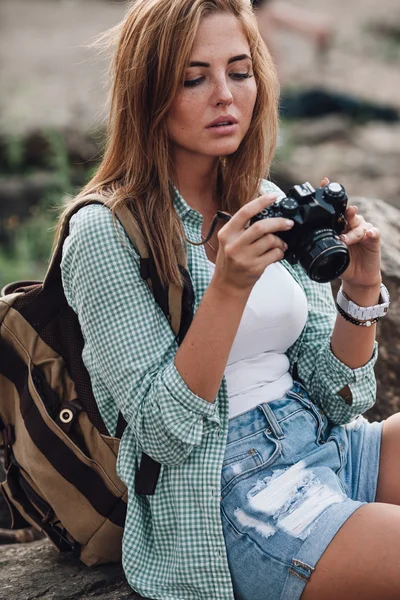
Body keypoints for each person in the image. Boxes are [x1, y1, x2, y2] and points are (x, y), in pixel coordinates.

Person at [58, 1, 400, 599]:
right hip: (232, 495)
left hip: (324, 442)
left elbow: (341, 395)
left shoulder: (262, 196)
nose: (224, 95)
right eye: (194, 78)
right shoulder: (105, 232)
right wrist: (228, 289)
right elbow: (162, 434)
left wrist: (360, 288)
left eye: (239, 72)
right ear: (148, 92)